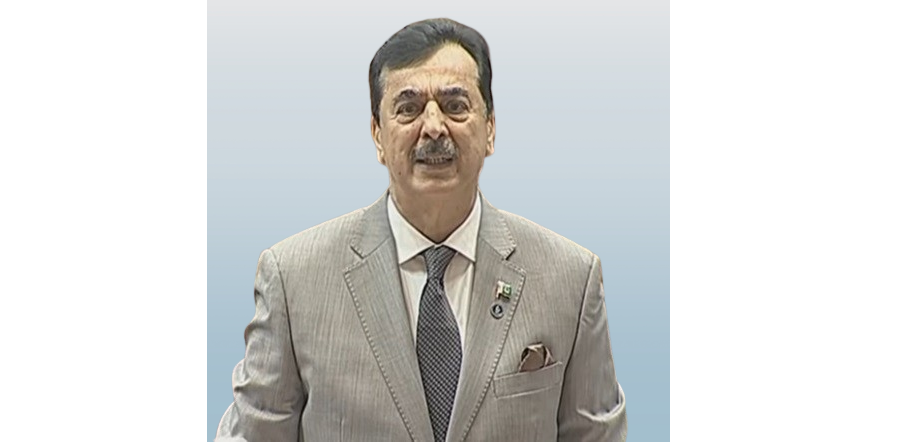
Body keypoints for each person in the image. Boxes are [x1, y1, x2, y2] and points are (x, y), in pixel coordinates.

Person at [215, 18, 627, 442]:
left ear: (490, 129)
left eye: (455, 105)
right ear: (377, 135)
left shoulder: (570, 279)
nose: (433, 127)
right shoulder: (293, 279)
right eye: (408, 108)